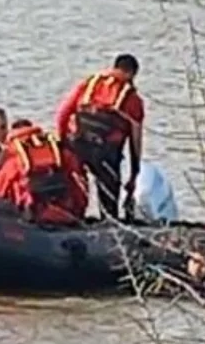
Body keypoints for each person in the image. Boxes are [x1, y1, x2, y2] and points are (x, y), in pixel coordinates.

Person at [54, 53, 145, 221]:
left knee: (76, 192)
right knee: (109, 198)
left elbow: (62, 114)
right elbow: (136, 142)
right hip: (105, 153)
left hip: (76, 146)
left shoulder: (88, 85)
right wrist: (134, 174)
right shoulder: (133, 100)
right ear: (132, 74)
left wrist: (62, 144)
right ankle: (109, 225)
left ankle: (72, 220)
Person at [0, 119, 89, 226]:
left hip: (32, 216)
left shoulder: (13, 162)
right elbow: (80, 181)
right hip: (67, 211)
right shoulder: (60, 153)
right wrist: (80, 211)